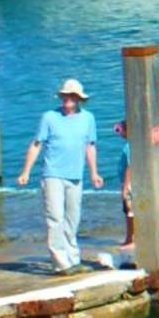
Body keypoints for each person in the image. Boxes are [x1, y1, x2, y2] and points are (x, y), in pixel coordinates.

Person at [16, 78, 103, 274]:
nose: (67, 99)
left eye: (71, 96)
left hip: (75, 175)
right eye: (64, 96)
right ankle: (60, 263)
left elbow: (90, 146)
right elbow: (36, 144)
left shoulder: (88, 118)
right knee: (55, 217)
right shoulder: (49, 117)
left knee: (73, 217)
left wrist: (94, 172)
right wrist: (26, 171)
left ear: (79, 99)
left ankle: (73, 259)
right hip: (52, 174)